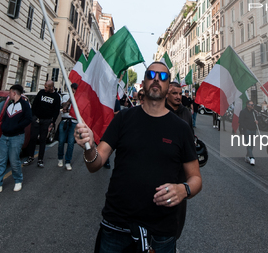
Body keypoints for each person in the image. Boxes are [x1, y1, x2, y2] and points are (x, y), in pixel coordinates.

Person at [74, 62, 201, 253]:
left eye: (163, 76)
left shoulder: (181, 128)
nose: (157, 79)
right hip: (117, 225)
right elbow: (96, 163)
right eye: (151, 74)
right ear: (143, 82)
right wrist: (89, 147)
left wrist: (184, 190)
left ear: (168, 88)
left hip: (161, 232)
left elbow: (196, 178)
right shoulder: (123, 119)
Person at [0, 85, 32, 194]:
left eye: (10, 93)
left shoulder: (24, 105)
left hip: (16, 137)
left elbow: (28, 119)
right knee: (0, 161)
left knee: (14, 161)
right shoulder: (10, 105)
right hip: (4, 136)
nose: (8, 95)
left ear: (14, 93)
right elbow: (5, 118)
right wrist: (4, 127)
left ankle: (18, 180)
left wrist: (17, 127)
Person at [24, 80, 61, 168]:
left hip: (46, 120)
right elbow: (35, 104)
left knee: (43, 139)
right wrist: (33, 117)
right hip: (37, 119)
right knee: (33, 138)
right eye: (44, 87)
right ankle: (30, 156)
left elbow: (56, 111)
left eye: (46, 87)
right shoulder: (41, 93)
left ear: (51, 87)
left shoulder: (56, 96)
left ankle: (40, 159)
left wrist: (52, 123)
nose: (45, 89)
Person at [57, 83, 78, 171]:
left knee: (71, 143)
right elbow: (64, 108)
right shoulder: (65, 96)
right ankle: (60, 158)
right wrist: (71, 99)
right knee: (61, 141)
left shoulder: (79, 98)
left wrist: (70, 110)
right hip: (65, 121)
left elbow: (78, 110)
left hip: (73, 122)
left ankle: (68, 161)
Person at [239, 101, 258, 166]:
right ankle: (252, 157)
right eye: (251, 105)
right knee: (248, 144)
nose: (252, 106)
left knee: (252, 144)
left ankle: (247, 156)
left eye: (253, 104)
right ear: (247, 105)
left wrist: (257, 122)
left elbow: (258, 120)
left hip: (253, 130)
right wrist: (245, 128)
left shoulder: (254, 112)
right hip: (247, 130)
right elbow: (240, 121)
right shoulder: (243, 112)